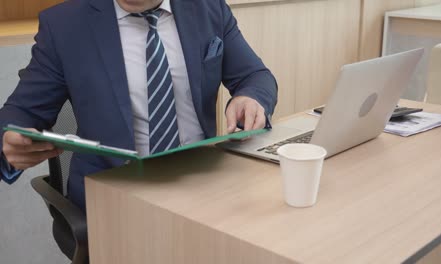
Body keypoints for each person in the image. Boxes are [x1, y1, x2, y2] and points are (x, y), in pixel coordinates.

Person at [0, 0, 278, 211]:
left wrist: (250, 97)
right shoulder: (65, 25)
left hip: (203, 185)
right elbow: (21, 111)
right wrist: (7, 139)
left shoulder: (206, 7)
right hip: (116, 196)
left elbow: (255, 76)